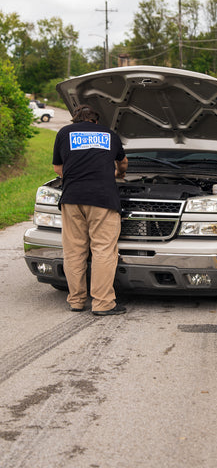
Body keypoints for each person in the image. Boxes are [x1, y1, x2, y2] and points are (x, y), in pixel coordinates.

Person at [52, 104, 128, 316]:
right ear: (96, 120)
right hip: (102, 198)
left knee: (74, 251)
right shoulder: (108, 134)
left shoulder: (64, 133)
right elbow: (122, 163)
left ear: (75, 119)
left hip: (71, 198)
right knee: (103, 249)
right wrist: (118, 173)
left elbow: (59, 169)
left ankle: (76, 300)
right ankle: (103, 303)